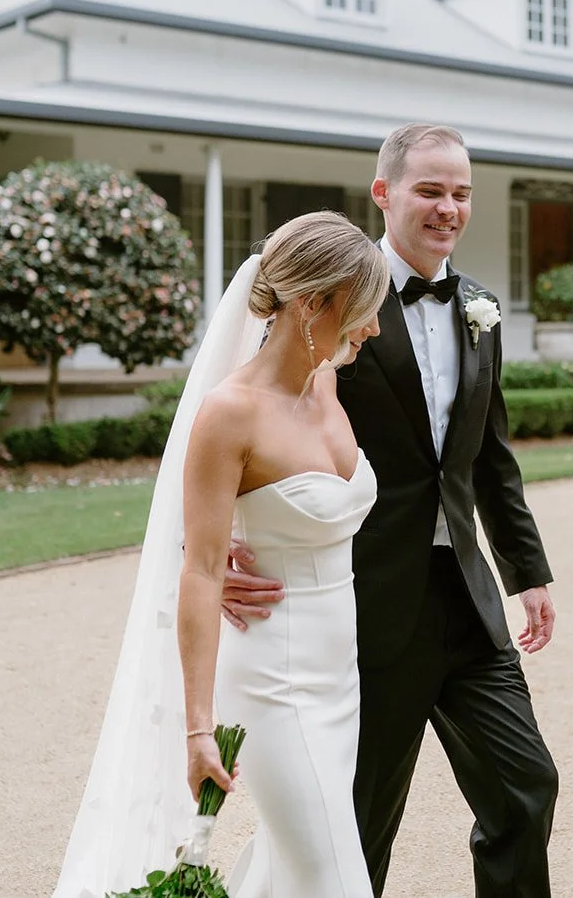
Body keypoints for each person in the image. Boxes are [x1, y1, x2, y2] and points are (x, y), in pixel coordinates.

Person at [224, 124, 560, 897]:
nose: (449, 208)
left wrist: (527, 571)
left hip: (467, 603)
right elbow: (241, 418)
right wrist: (204, 560)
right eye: (430, 190)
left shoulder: (481, 307)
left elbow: (490, 456)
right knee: (360, 822)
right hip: (369, 606)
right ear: (384, 193)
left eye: (462, 192)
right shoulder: (330, 300)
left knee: (525, 786)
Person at [53, 211, 390, 898]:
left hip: (339, 676)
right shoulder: (229, 413)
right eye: (363, 311)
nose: (374, 329)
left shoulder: (324, 381)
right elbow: (202, 570)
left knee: (286, 868)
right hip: (271, 681)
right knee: (335, 880)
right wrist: (198, 730)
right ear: (311, 305)